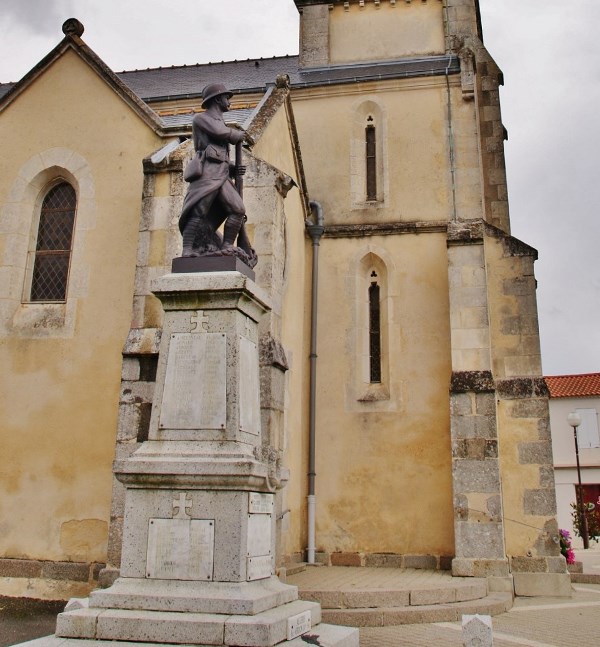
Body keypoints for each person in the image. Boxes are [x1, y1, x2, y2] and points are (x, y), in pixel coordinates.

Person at [179, 83, 255, 266]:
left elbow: (220, 151)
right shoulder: (201, 118)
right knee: (199, 211)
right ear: (217, 99)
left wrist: (232, 168)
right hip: (207, 172)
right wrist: (234, 134)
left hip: (221, 173)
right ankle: (187, 250)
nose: (229, 101)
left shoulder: (221, 122)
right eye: (226, 98)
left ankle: (227, 246)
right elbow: (220, 134)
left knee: (238, 210)